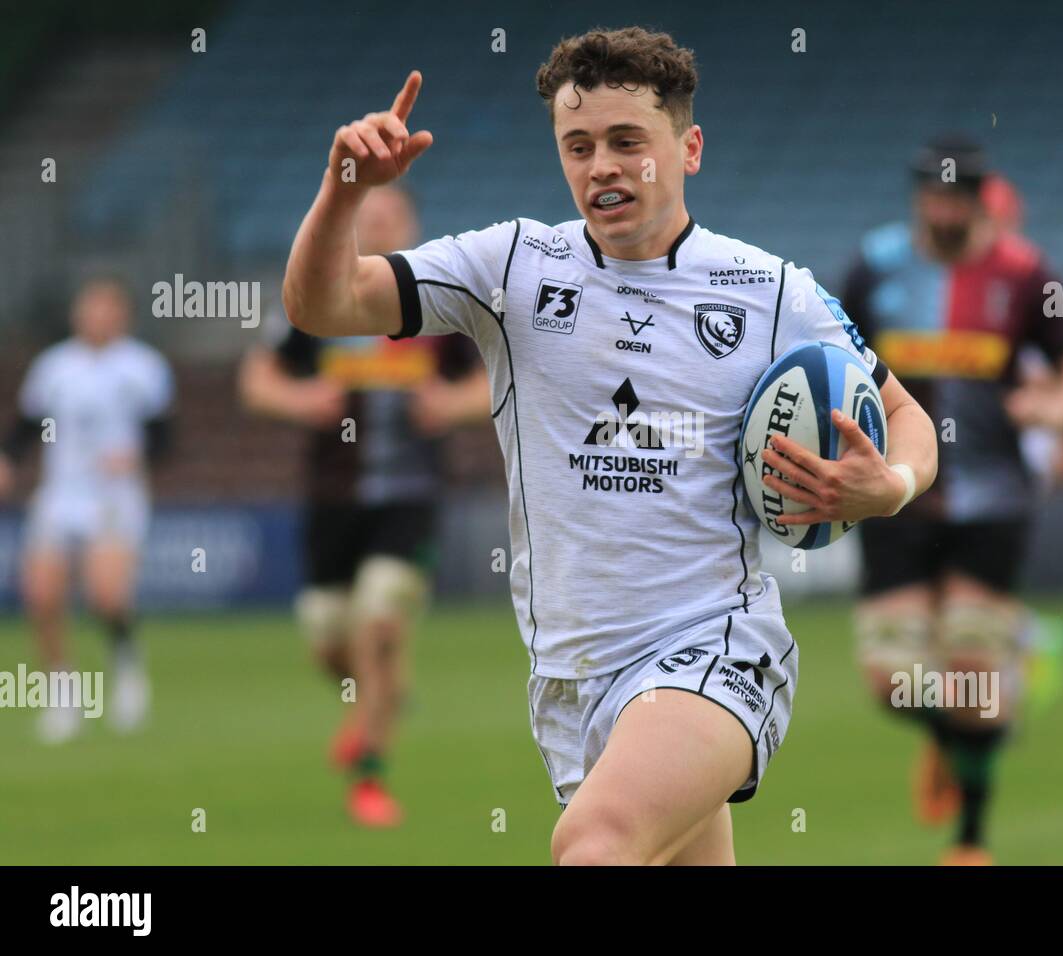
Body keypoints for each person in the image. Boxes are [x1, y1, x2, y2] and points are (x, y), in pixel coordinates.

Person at [282, 27, 938, 865]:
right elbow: (325, 305)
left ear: (688, 147)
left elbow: (906, 417)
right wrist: (344, 190)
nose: (602, 167)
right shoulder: (511, 267)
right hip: (571, 677)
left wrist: (893, 485)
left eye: (629, 142)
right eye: (579, 145)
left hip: (714, 648)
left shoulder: (771, 292)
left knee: (593, 847)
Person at [838, 136, 1063, 864]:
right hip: (894, 497)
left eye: (958, 195)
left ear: (980, 197)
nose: (944, 207)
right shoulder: (876, 268)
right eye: (934, 193)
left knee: (969, 681)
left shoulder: (1023, 276)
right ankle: (960, 732)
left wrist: (1055, 411)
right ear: (918, 195)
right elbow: (828, 357)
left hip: (991, 502)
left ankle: (970, 841)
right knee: (894, 683)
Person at [239, 185, 490, 827]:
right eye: (368, 216)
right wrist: (304, 401)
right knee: (330, 640)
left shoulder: (440, 305)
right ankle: (381, 697)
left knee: (378, 624)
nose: (380, 226)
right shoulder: (318, 301)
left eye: (392, 217)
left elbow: (492, 381)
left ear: (413, 226)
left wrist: (448, 405)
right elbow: (257, 381)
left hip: (411, 498)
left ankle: (370, 777)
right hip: (332, 499)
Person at [0, 277, 174, 742]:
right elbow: (26, 427)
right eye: (90, 307)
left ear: (123, 314)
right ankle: (63, 694)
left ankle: (126, 664)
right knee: (41, 597)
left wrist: (135, 457)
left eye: (106, 308)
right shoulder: (53, 367)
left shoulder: (143, 367)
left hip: (115, 496)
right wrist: (9, 462)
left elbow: (163, 438)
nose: (97, 316)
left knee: (107, 596)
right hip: (61, 493)